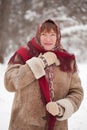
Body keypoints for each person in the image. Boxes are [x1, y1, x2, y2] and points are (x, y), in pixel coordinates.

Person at [4, 19, 84, 130]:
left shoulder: (67, 60)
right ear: (38, 35)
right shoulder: (23, 54)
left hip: (57, 126)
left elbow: (76, 92)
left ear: (58, 36)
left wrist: (61, 108)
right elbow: (9, 83)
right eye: (44, 34)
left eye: (52, 35)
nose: (48, 39)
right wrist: (40, 63)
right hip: (24, 125)